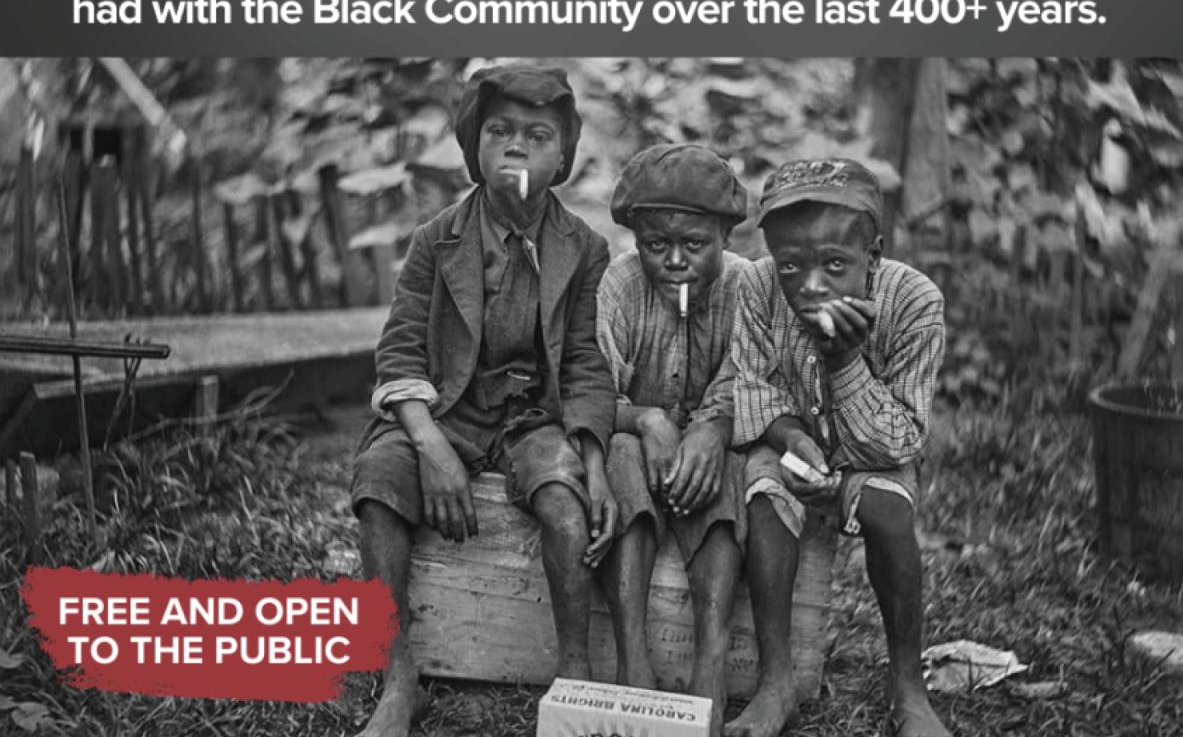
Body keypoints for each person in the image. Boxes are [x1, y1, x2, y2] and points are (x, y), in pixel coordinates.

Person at [350, 64, 617, 737]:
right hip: (447, 411)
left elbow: (586, 359)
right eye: (498, 130)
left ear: (562, 158)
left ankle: (575, 673)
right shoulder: (435, 240)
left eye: (537, 135)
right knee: (380, 478)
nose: (516, 147)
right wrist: (431, 445)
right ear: (475, 147)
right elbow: (401, 352)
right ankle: (398, 677)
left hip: (533, 417)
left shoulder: (584, 249)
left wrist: (590, 453)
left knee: (563, 502)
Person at [727, 158, 951, 737]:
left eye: (835, 264)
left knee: (891, 513)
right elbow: (754, 388)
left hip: (872, 455)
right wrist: (794, 440)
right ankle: (776, 681)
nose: (811, 285)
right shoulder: (753, 285)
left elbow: (901, 440)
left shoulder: (914, 301)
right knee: (765, 495)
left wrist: (845, 362)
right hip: (789, 444)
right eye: (791, 266)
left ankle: (908, 685)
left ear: (873, 257)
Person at [597, 143, 750, 736]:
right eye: (657, 246)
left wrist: (714, 426)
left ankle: (710, 664)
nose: (675, 262)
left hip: (705, 462)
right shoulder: (621, 285)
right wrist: (644, 418)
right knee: (619, 450)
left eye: (696, 245)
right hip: (640, 452)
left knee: (736, 465)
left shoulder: (747, 290)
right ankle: (633, 659)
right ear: (636, 240)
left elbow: (757, 381)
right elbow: (588, 394)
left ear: (726, 237)